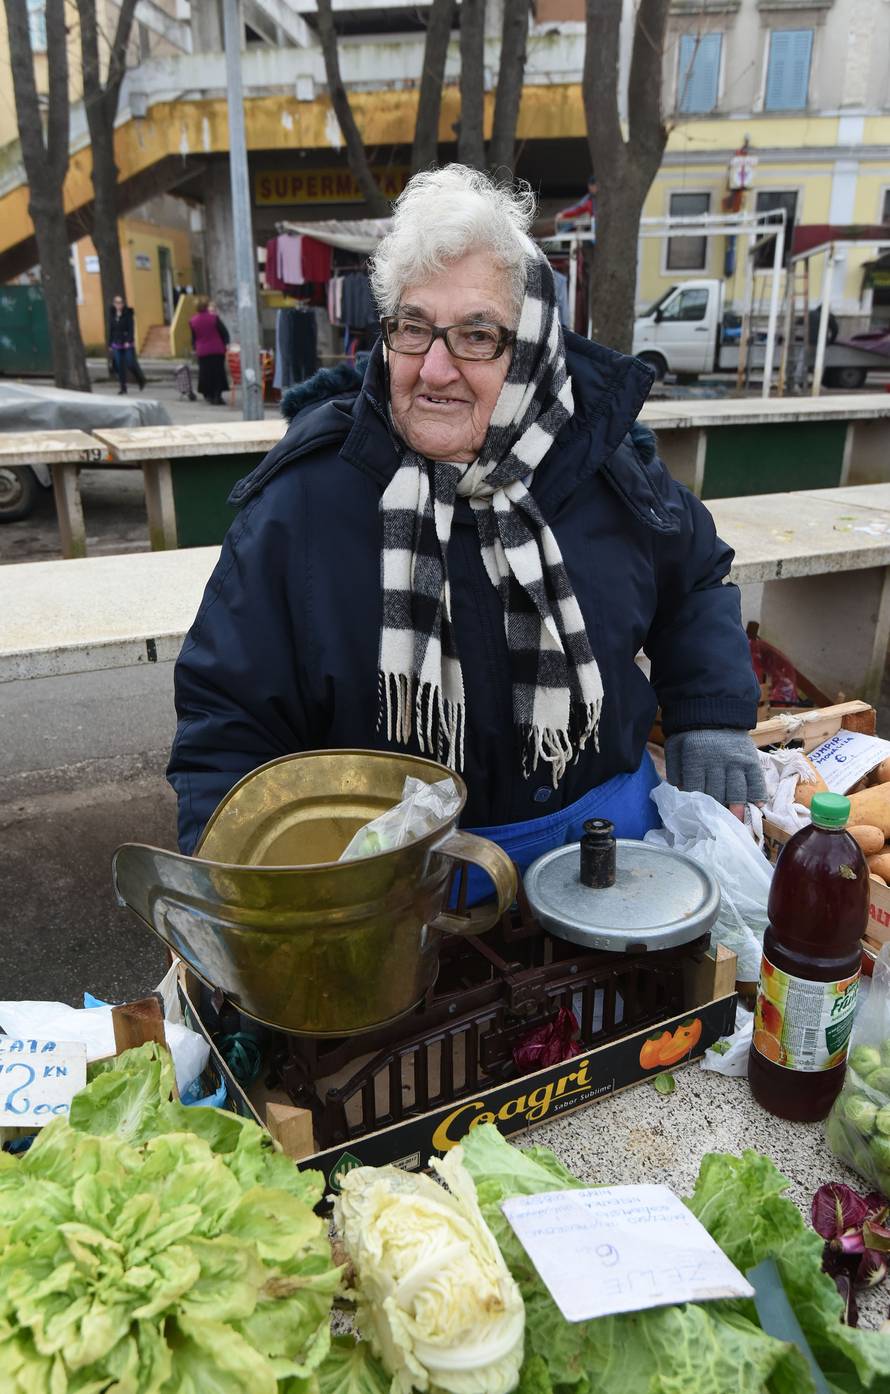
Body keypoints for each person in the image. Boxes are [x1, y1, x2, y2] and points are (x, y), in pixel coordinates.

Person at [168, 165, 764, 869]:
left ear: (535, 347)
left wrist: (711, 710)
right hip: (403, 899)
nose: (435, 369)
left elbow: (694, 575)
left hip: (617, 863)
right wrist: (248, 887)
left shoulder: (598, 461)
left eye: (478, 336)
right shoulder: (303, 505)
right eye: (413, 329)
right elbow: (227, 726)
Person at [189, 297, 230, 405]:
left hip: (202, 351)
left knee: (205, 374)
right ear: (206, 306)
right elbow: (224, 332)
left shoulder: (193, 321)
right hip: (217, 350)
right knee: (218, 373)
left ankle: (209, 395)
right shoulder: (214, 318)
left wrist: (195, 347)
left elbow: (194, 337)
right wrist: (226, 343)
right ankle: (217, 396)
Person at [107, 295, 146, 394]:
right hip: (116, 342)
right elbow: (111, 330)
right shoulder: (112, 315)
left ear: (123, 304)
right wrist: (110, 344)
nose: (118, 305)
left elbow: (131, 329)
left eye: (120, 302)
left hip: (127, 342)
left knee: (130, 363)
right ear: (114, 304)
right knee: (120, 366)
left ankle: (140, 379)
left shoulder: (128, 314)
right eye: (116, 302)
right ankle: (123, 388)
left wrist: (129, 341)